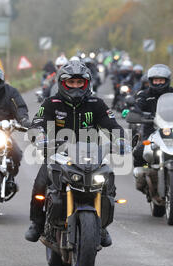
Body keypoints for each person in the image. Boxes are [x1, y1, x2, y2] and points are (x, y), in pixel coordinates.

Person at [25, 60, 126, 247]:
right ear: (62, 83)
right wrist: (39, 136)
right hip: (57, 155)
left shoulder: (96, 103)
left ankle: (102, 227)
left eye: (80, 83)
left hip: (91, 156)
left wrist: (120, 140)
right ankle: (36, 223)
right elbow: (37, 123)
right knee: (40, 183)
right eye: (71, 83)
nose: (76, 86)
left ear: (87, 83)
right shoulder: (51, 103)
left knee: (107, 185)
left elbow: (112, 125)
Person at [129, 64, 173, 179]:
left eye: (161, 80)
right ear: (151, 81)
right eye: (156, 80)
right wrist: (136, 113)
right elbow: (137, 105)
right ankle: (141, 175)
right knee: (139, 151)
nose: (158, 83)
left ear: (167, 80)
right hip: (151, 128)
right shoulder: (144, 94)